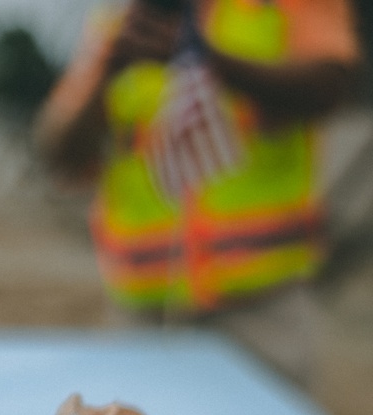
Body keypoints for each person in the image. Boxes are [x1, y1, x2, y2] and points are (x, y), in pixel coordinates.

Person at [35, 0, 365, 385]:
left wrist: (206, 58)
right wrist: (110, 70)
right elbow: (58, 151)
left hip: (261, 307)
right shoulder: (117, 19)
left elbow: (327, 87)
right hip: (140, 309)